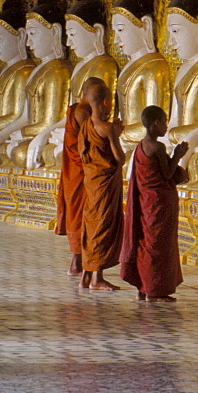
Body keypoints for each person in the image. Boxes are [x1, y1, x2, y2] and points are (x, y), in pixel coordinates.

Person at [120, 105, 188, 302]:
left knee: (146, 243)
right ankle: (154, 291)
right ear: (156, 123)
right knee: (158, 246)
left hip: (146, 202)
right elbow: (166, 174)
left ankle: (143, 287)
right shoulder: (158, 147)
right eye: (165, 122)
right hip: (158, 203)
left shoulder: (140, 145)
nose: (167, 126)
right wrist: (178, 155)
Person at [55, 76, 107, 276]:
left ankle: (83, 264)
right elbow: (91, 142)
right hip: (80, 171)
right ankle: (78, 262)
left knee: (84, 212)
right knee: (82, 212)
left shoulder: (79, 109)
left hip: (77, 169)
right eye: (103, 98)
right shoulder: (82, 112)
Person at [78, 80, 125, 291]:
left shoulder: (85, 125)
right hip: (104, 184)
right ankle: (97, 277)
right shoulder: (106, 128)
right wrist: (117, 132)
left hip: (92, 182)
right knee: (102, 225)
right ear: (106, 102)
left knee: (91, 222)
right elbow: (120, 158)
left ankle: (86, 276)